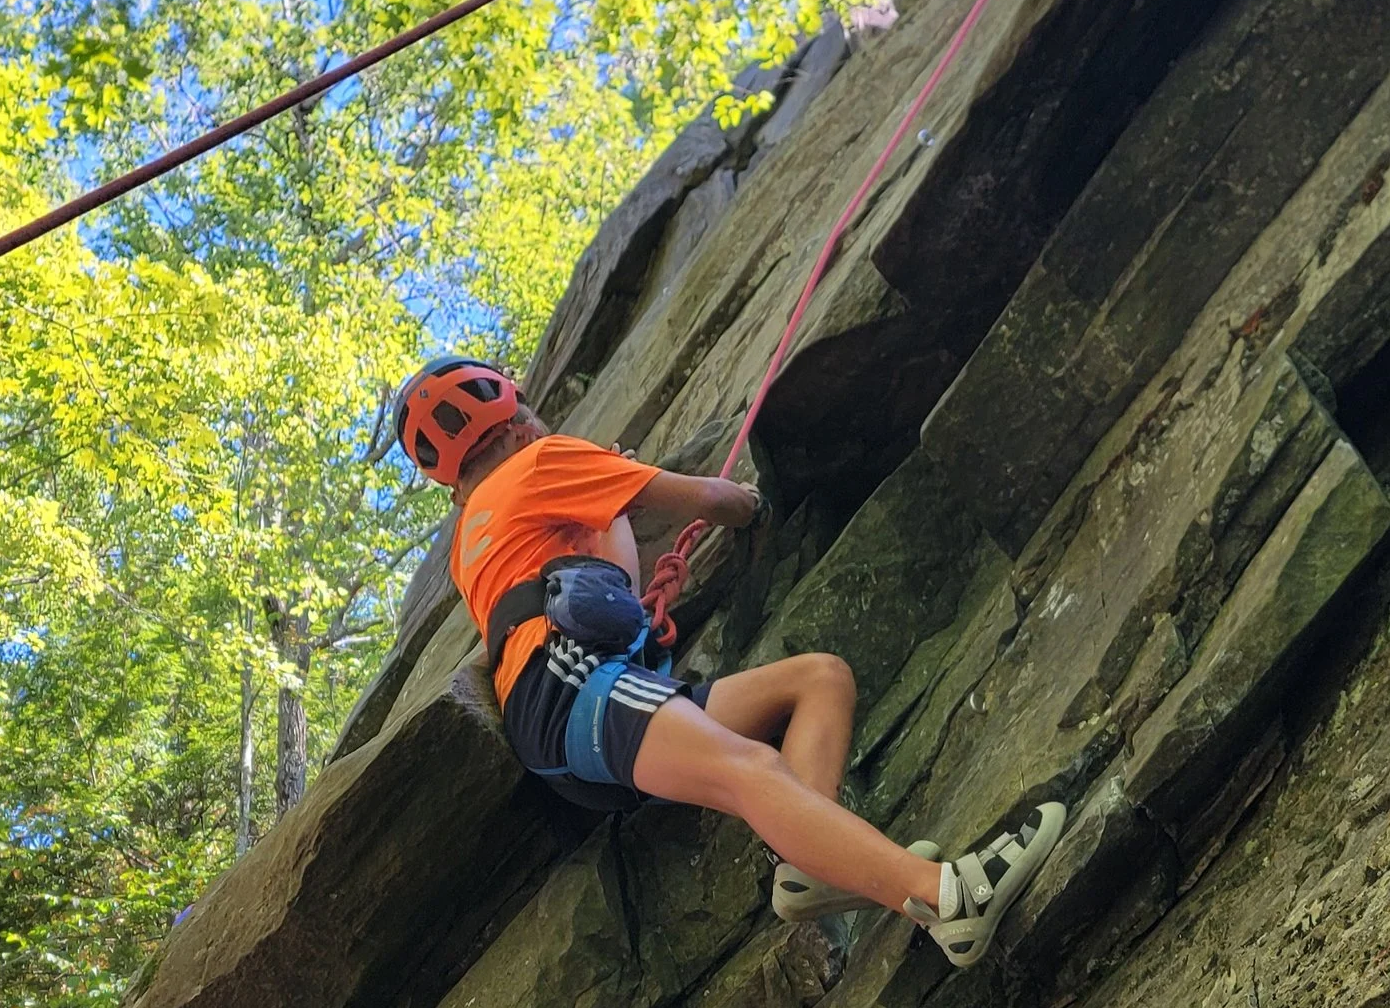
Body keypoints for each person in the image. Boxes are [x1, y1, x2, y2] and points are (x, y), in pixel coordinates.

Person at [392, 356, 1064, 968]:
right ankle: (949, 899)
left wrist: (606, 509)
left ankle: (816, 868)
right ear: (514, 420)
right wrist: (746, 505)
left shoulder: (469, 541)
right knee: (753, 768)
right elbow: (713, 502)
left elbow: (606, 583)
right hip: (573, 685)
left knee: (818, 679)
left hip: (571, 697)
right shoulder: (540, 461)